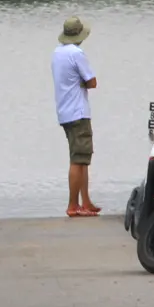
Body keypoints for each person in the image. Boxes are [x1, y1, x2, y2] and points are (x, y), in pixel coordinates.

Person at [52, 16, 99, 217]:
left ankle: (86, 201)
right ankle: (73, 205)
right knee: (78, 159)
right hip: (79, 111)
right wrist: (82, 82)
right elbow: (92, 82)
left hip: (64, 110)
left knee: (82, 158)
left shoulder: (56, 52)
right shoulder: (77, 53)